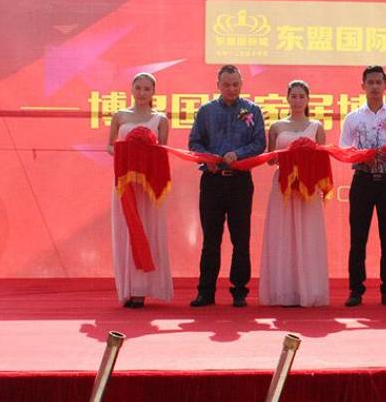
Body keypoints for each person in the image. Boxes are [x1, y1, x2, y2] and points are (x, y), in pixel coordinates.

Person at [188, 64, 266, 308]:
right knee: (211, 240)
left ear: (241, 84)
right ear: (218, 85)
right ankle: (206, 292)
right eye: (226, 84)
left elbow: (259, 143)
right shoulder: (206, 111)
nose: (231, 88)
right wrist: (207, 159)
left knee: (240, 239)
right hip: (212, 181)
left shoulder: (252, 109)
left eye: (235, 84)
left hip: (240, 181)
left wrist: (238, 154)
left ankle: (239, 291)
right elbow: (194, 142)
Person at [340, 65, 386, 307]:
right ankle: (356, 290)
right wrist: (362, 156)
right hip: (362, 180)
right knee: (358, 238)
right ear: (363, 86)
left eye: (379, 82)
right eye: (370, 82)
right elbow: (344, 149)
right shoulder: (353, 117)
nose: (374, 86)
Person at [259, 80, 329, 307]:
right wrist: (290, 156)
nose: (297, 101)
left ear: (307, 100)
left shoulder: (316, 127)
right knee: (283, 234)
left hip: (308, 189)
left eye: (301, 97)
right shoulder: (277, 127)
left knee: (308, 235)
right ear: (287, 98)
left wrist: (305, 159)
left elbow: (322, 159)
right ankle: (284, 291)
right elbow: (271, 160)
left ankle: (308, 290)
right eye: (294, 96)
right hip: (284, 186)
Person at [108, 72, 173, 308]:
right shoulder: (120, 116)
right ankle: (129, 288)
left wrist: (145, 150)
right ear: (131, 89)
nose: (142, 93)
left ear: (153, 92)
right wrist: (127, 151)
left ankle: (146, 288)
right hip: (125, 184)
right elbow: (110, 147)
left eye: (147, 89)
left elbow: (162, 151)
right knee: (127, 232)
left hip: (150, 188)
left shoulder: (160, 119)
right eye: (138, 88)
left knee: (149, 230)